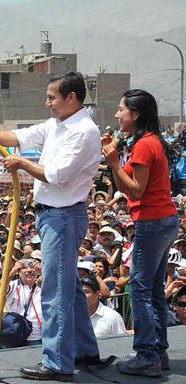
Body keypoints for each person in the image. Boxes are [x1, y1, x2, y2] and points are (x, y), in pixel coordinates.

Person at [0, 71, 105, 381]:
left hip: (63, 216)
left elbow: (58, 174)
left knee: (55, 292)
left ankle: (57, 364)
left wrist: (21, 163)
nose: (47, 102)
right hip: (53, 215)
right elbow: (19, 136)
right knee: (71, 289)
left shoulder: (84, 132)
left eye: (52, 97)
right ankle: (86, 351)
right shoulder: (57, 125)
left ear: (71, 98)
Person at [102, 89, 179, 377]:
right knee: (154, 289)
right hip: (163, 220)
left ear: (135, 114)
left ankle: (147, 355)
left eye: (121, 109)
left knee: (141, 289)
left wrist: (113, 163)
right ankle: (158, 351)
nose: (117, 115)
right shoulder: (150, 142)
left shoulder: (145, 145)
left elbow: (135, 189)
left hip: (152, 221)